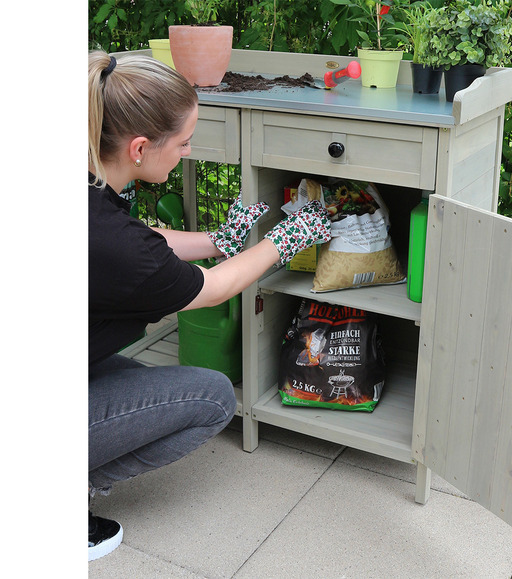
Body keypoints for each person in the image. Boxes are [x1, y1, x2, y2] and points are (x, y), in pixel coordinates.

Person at [88, 50, 330, 562]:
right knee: (214, 397)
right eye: (183, 142)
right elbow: (214, 288)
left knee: (133, 380)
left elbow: (143, 241)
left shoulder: (87, 181)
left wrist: (218, 238)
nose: (188, 149)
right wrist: (285, 240)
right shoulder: (111, 241)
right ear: (137, 148)